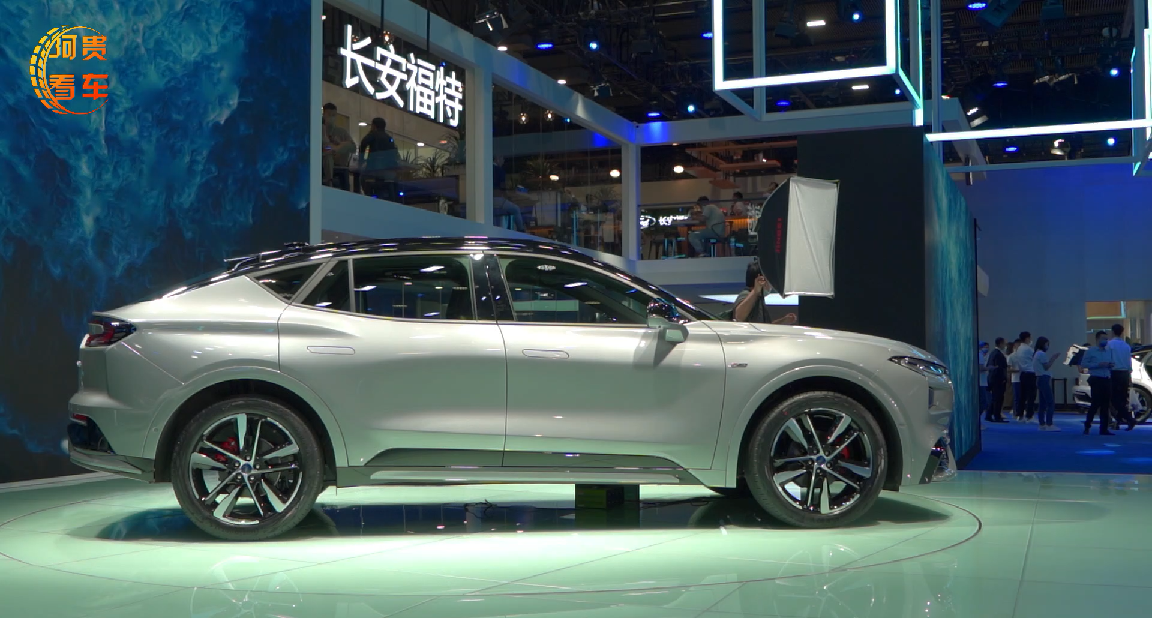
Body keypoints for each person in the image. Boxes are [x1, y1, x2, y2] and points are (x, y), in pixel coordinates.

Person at [732, 261, 797, 325]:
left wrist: (783, 320)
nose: (771, 284)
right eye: (769, 280)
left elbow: (765, 326)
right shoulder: (746, 295)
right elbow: (739, 317)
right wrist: (755, 291)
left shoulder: (759, 299)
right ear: (761, 280)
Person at [1082, 330, 1116, 435]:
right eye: (1103, 339)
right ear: (1097, 339)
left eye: (1106, 339)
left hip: (1107, 378)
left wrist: (1110, 365)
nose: (1105, 341)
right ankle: (1088, 424)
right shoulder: (1090, 351)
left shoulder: (1108, 351)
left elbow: (1112, 363)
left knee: (1106, 405)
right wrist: (1098, 364)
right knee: (1095, 404)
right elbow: (1084, 364)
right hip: (1096, 379)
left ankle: (1104, 428)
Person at [1107, 323, 1137, 431]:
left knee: (1114, 400)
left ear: (1112, 332)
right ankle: (1118, 422)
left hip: (1114, 373)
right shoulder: (1126, 346)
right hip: (1125, 373)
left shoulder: (1109, 344)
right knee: (1123, 399)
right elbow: (1129, 362)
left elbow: (1108, 359)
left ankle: (1129, 419)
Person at [359, 117, 398, 199]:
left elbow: (363, 146)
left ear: (374, 126)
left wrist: (361, 161)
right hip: (388, 173)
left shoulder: (372, 136)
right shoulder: (389, 139)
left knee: (362, 178)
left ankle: (367, 196)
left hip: (373, 170)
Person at [322, 103, 355, 189]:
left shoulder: (342, 132)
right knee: (327, 150)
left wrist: (339, 145)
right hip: (323, 163)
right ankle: (329, 181)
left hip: (339, 165)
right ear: (324, 114)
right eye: (329, 114)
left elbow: (352, 147)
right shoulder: (319, 129)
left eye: (333, 115)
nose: (331, 117)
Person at [1032, 337, 1061, 431]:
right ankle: (1049, 424)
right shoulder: (1041, 354)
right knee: (1050, 402)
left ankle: (1042, 423)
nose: (1047, 346)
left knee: (1042, 403)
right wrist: (1053, 358)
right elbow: (1046, 367)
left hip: (1039, 378)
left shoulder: (1036, 353)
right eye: (1046, 344)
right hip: (1043, 378)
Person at [492, 156, 526, 232]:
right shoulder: (499, 170)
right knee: (516, 209)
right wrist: (508, 197)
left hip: (485, 200)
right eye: (502, 158)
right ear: (497, 159)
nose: (503, 161)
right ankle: (521, 230)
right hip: (496, 199)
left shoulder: (486, 169)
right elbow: (503, 188)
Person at [1014, 332, 1038, 423]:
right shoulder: (1029, 349)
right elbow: (1035, 358)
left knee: (1022, 396)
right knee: (1031, 395)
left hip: (1022, 374)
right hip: (1030, 373)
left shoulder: (1019, 349)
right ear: (1027, 338)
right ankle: (1029, 415)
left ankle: (1020, 415)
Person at [986, 338, 1010, 423]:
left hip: (993, 379)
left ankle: (989, 415)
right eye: (1004, 343)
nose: (1005, 345)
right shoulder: (998, 354)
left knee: (995, 398)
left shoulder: (993, 353)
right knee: (998, 398)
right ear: (1000, 344)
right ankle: (997, 416)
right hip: (997, 380)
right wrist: (1003, 378)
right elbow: (999, 368)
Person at [1007, 339, 1023, 420]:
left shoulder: (1023, 355)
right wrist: (1017, 370)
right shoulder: (1011, 356)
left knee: (1023, 397)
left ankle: (1021, 412)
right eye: (1018, 345)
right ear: (1014, 346)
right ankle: (1016, 412)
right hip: (1016, 379)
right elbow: (1008, 369)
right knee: (1017, 396)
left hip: (1023, 378)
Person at [978, 341, 991, 419]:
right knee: (983, 401)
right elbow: (980, 368)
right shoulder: (980, 355)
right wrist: (989, 368)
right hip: (981, 382)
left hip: (982, 381)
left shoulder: (980, 355)